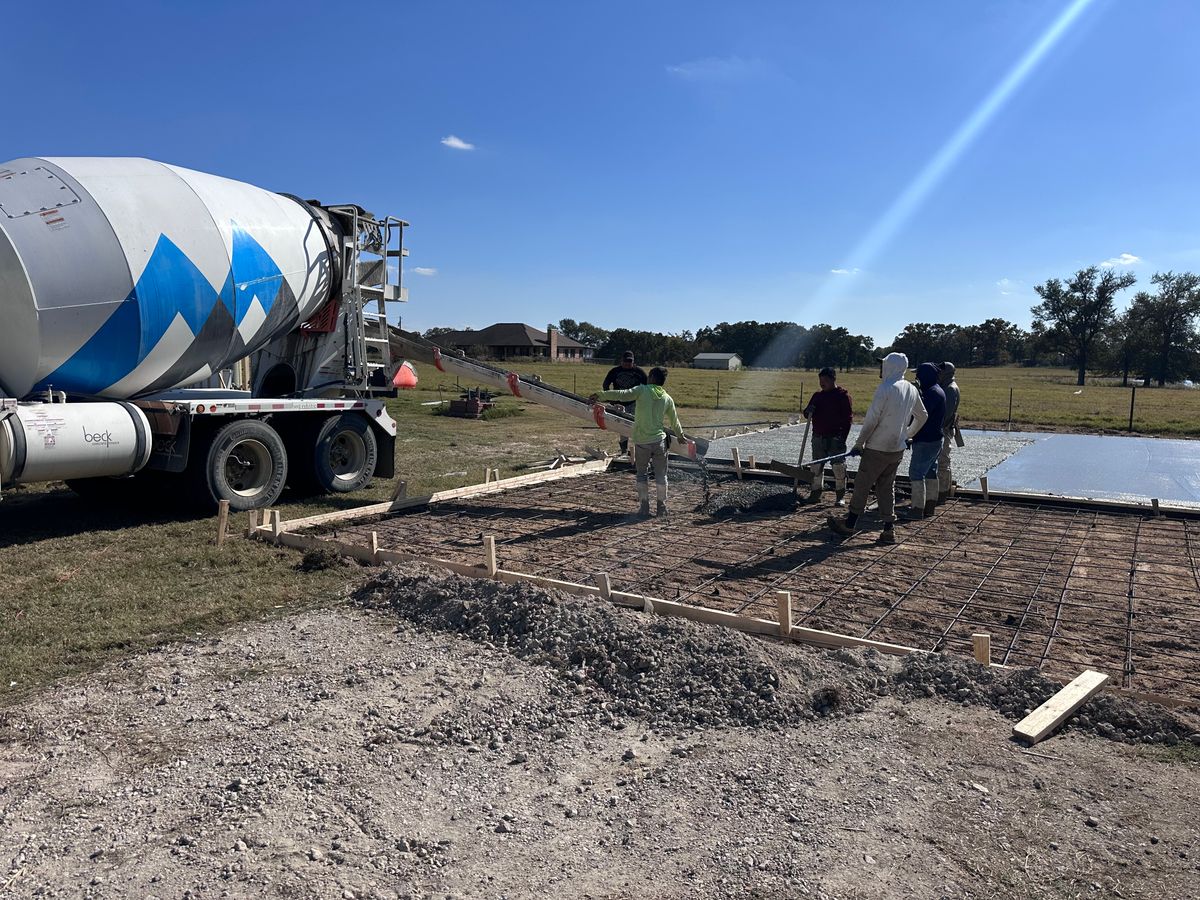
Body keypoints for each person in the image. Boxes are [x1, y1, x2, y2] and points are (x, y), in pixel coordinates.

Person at [828, 352, 927, 544]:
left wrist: (859, 443)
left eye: (883, 365)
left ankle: (849, 524)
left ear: (890, 367)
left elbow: (872, 421)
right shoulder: (911, 389)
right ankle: (889, 529)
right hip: (896, 450)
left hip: (877, 448)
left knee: (862, 486)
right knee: (886, 487)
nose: (881, 368)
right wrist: (907, 435)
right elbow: (923, 416)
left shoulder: (885, 389)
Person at [590, 367, 686, 518]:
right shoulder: (667, 398)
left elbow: (622, 394)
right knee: (661, 475)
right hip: (660, 442)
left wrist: (600, 395)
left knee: (642, 474)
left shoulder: (642, 391)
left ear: (652, 377)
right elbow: (675, 421)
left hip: (642, 442)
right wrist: (680, 436)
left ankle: (644, 506)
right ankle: (662, 506)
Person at [802, 367, 852, 505]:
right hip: (818, 437)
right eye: (820, 380)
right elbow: (806, 413)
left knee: (838, 468)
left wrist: (843, 438)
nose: (822, 383)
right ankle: (816, 493)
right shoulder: (817, 396)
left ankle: (840, 496)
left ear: (833, 379)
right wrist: (808, 411)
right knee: (816, 467)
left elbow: (848, 419)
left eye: (825, 380)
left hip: (835, 438)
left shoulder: (843, 396)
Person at [904, 363, 946, 519]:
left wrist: (908, 434)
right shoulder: (937, 390)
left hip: (926, 440)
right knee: (930, 472)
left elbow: (920, 416)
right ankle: (929, 506)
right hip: (935, 438)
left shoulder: (931, 394)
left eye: (918, 375)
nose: (917, 378)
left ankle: (916, 509)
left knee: (916, 473)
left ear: (925, 376)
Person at [601, 352, 648, 454]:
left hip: (635, 403)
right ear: (621, 361)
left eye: (630, 361)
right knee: (623, 427)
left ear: (633, 361)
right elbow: (605, 385)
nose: (627, 363)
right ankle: (624, 450)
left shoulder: (639, 372)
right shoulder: (615, 371)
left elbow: (647, 387)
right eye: (626, 361)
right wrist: (612, 401)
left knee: (637, 426)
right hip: (619, 404)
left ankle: (639, 449)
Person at [937, 362, 960, 503]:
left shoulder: (950, 389)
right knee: (943, 461)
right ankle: (942, 492)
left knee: (943, 462)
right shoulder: (948, 387)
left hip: (944, 429)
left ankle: (942, 493)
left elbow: (945, 414)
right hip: (946, 427)